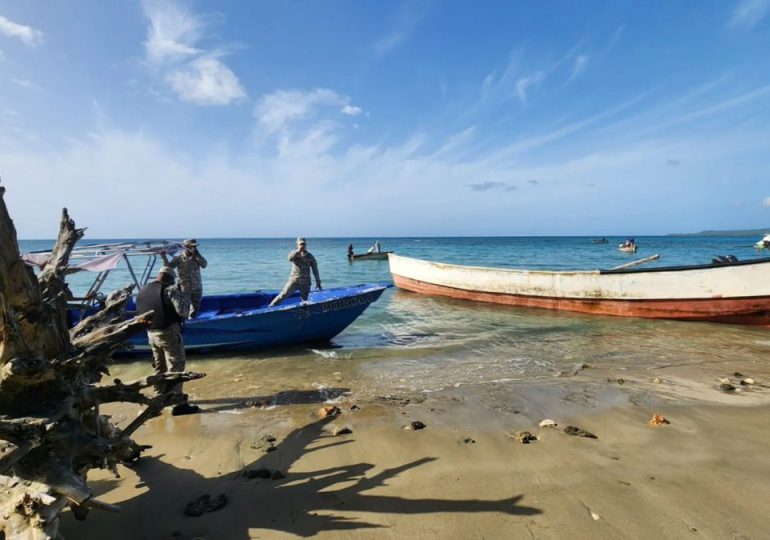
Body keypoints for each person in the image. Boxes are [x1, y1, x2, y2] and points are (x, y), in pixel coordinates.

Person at [135, 267, 199, 415]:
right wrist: (184, 295)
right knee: (176, 366)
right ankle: (178, 404)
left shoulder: (144, 290)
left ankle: (158, 399)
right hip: (168, 332)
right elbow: (183, 311)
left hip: (150, 333)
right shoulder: (169, 289)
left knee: (159, 366)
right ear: (170, 278)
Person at [269, 237, 322, 306]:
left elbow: (315, 270)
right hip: (294, 281)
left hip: (306, 282)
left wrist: (318, 281)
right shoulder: (294, 254)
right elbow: (289, 258)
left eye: (303, 244)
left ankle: (304, 313)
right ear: (297, 245)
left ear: (306, 245)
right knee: (283, 295)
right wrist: (298, 251)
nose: (302, 246)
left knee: (305, 300)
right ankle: (271, 307)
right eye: (300, 244)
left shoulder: (310, 256)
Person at [162, 238, 207, 318]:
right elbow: (167, 267)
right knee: (184, 309)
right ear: (186, 247)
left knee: (195, 309)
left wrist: (197, 254)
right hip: (184, 288)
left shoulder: (197, 257)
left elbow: (204, 265)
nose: (194, 248)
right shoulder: (178, 258)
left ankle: (192, 322)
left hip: (197, 287)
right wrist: (164, 257)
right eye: (192, 246)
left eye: (195, 246)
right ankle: (183, 323)